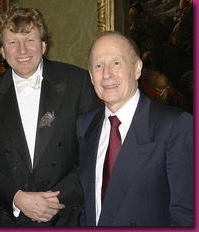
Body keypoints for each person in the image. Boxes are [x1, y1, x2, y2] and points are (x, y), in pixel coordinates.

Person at [0, 5, 98, 226]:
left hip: (66, 216)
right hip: (12, 218)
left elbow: (93, 155)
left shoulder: (77, 83)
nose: (22, 50)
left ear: (43, 45)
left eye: (29, 40)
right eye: (12, 42)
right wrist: (17, 198)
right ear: (2, 51)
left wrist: (54, 201)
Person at [77, 31, 193, 226]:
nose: (106, 74)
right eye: (98, 65)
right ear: (91, 76)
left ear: (138, 69)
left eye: (116, 63)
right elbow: (88, 206)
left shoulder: (175, 125)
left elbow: (186, 217)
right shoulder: (85, 125)